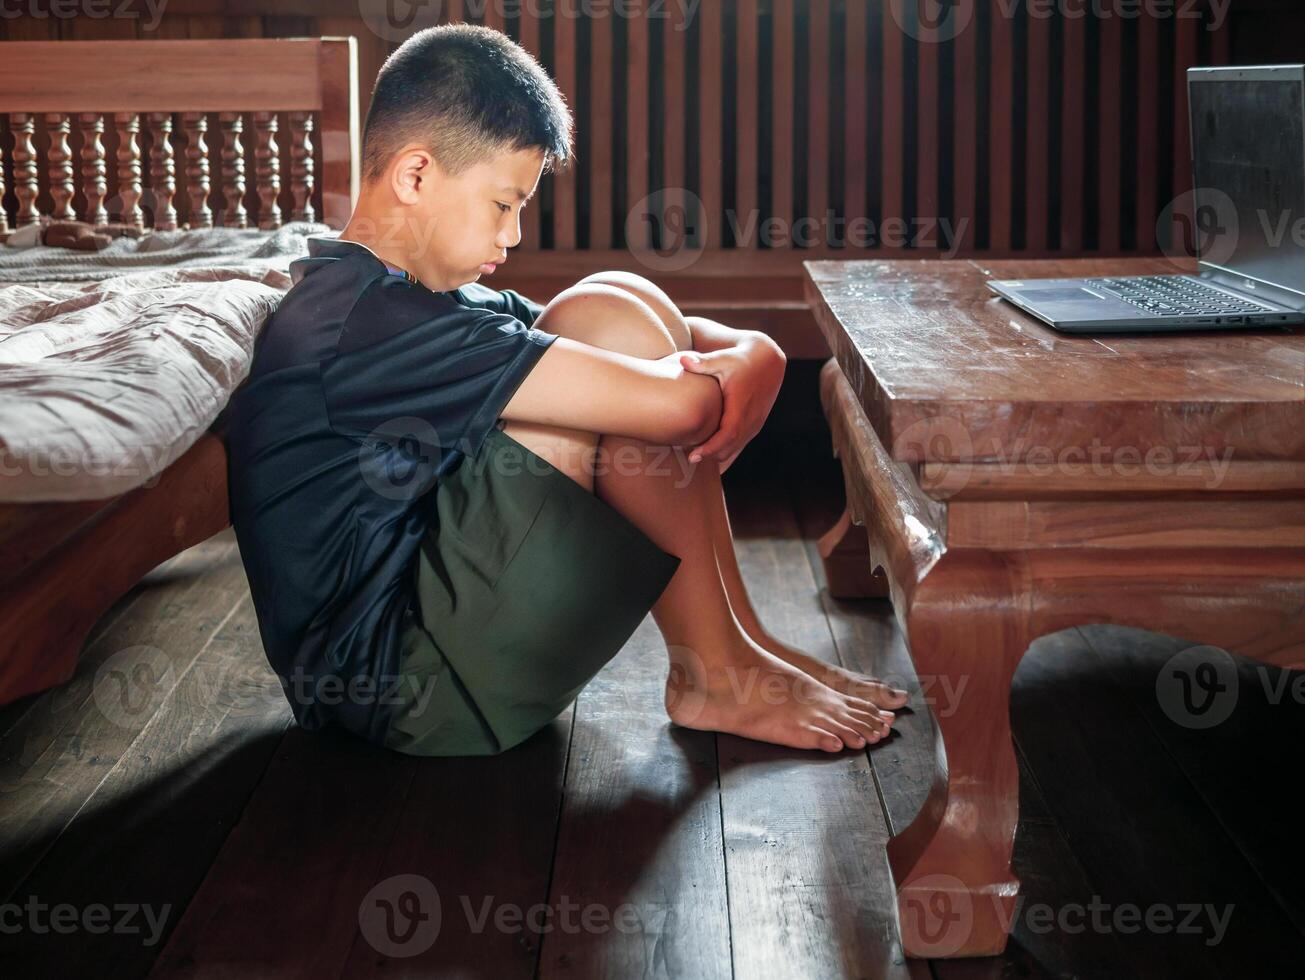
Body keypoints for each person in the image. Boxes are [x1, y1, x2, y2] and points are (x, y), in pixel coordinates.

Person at [226, 23, 908, 758]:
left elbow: (645, 326)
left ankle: (739, 643)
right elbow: (676, 403)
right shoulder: (363, 323)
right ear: (415, 176)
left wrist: (756, 349)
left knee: (612, 295)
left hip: (442, 645)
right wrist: (751, 371)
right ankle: (716, 671)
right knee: (603, 323)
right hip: (408, 693)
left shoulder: (405, 297)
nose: (513, 235)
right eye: (502, 204)